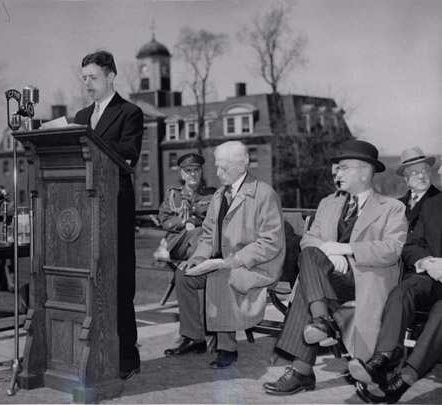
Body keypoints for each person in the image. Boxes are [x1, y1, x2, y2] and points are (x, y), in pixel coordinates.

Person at [262, 140, 407, 396]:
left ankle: (303, 370)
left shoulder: (392, 208)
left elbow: (391, 250)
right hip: (326, 279)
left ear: (364, 172)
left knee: (308, 284)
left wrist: (347, 250)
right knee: (309, 253)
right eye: (337, 169)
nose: (337, 174)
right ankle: (321, 321)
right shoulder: (328, 203)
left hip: (365, 281)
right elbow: (309, 239)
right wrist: (329, 248)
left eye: (343, 168)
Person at [164, 141, 286, 369]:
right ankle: (194, 337)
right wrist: (198, 257)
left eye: (223, 168)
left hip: (257, 264)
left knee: (220, 277)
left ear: (242, 165)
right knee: (184, 275)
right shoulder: (220, 195)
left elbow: (272, 241)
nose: (217, 173)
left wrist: (237, 259)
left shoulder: (264, 194)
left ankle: (227, 347)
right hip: (226, 262)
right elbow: (209, 234)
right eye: (217, 167)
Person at [74, 50, 143, 381]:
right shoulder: (81, 114)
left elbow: (129, 154)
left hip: (115, 205)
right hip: (83, 208)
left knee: (119, 281)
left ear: (111, 76)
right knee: (91, 281)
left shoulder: (130, 112)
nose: (87, 84)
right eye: (84, 78)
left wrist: (91, 142)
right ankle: (92, 351)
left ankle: (127, 356)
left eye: (93, 77)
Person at [349, 161, 442, 404]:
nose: (439, 173)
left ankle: (405, 379)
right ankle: (382, 359)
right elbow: (412, 244)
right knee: (402, 292)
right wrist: (429, 263)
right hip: (433, 276)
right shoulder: (434, 205)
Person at [158, 153, 216, 260]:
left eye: (196, 170)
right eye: (188, 171)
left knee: (200, 243)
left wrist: (196, 221)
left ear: (201, 172)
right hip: (179, 241)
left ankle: (192, 268)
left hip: (204, 241)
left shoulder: (211, 195)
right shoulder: (173, 195)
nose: (192, 174)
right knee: (200, 233)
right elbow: (165, 219)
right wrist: (184, 222)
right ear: (182, 174)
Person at [396, 147, 439, 233]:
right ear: (406, 178)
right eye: (415, 173)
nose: (421, 176)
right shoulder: (397, 205)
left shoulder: (439, 201)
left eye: (424, 171)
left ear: (430, 173)